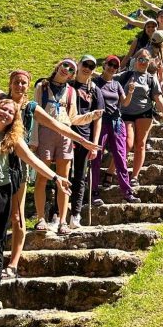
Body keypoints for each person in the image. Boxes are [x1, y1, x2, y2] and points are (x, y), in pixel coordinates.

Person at [0, 40, 98, 276]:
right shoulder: (2, 102)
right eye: (17, 82)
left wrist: (83, 141)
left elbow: (59, 126)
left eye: (24, 83)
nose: (20, 86)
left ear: (28, 86)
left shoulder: (31, 108)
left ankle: (12, 264)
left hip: (18, 163)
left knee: (17, 214)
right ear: (10, 84)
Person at [0, 99, 72, 311]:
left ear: (14, 118)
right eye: (3, 109)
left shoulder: (12, 139)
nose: (6, 114)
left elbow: (33, 161)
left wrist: (56, 177)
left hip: (0, 193)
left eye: (11, 112)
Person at [33, 59, 103, 234]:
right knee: (43, 177)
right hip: (45, 133)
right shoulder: (42, 86)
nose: (67, 70)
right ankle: (40, 218)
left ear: (73, 74)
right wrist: (33, 141)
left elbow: (73, 119)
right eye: (65, 65)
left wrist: (91, 116)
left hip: (64, 135)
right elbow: (35, 115)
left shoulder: (71, 91)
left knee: (64, 179)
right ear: (57, 66)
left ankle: (63, 221)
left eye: (71, 69)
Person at [117, 50, 163, 187]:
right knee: (127, 143)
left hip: (144, 113)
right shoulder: (126, 75)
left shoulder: (151, 78)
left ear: (149, 62)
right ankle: (115, 171)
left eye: (146, 60)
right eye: (141, 59)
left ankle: (135, 176)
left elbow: (158, 98)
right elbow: (107, 79)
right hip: (126, 113)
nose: (143, 62)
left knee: (141, 144)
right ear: (135, 60)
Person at [91, 55, 138, 205]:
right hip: (101, 122)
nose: (111, 68)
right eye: (109, 64)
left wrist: (130, 91)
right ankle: (94, 192)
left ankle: (127, 192)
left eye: (115, 66)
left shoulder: (116, 84)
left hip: (117, 122)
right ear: (104, 65)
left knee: (120, 156)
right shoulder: (95, 83)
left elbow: (124, 102)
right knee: (96, 157)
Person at [67, 55, 103, 229]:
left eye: (91, 66)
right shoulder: (67, 85)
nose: (87, 68)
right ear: (78, 64)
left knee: (80, 176)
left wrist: (94, 144)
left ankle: (75, 214)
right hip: (65, 135)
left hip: (85, 137)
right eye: (85, 64)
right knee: (63, 175)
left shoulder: (94, 89)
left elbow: (98, 118)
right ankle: (57, 214)